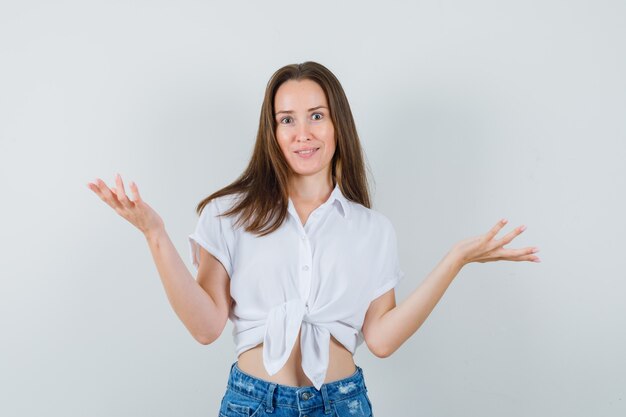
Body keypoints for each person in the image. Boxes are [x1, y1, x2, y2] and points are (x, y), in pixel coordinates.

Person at [87, 61, 540, 416]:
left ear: (337, 124)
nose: (302, 133)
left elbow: (380, 339)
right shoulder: (228, 215)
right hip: (253, 405)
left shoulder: (371, 229)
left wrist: (455, 259)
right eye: (287, 120)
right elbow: (206, 326)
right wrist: (155, 234)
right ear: (273, 132)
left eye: (316, 116)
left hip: (342, 404)